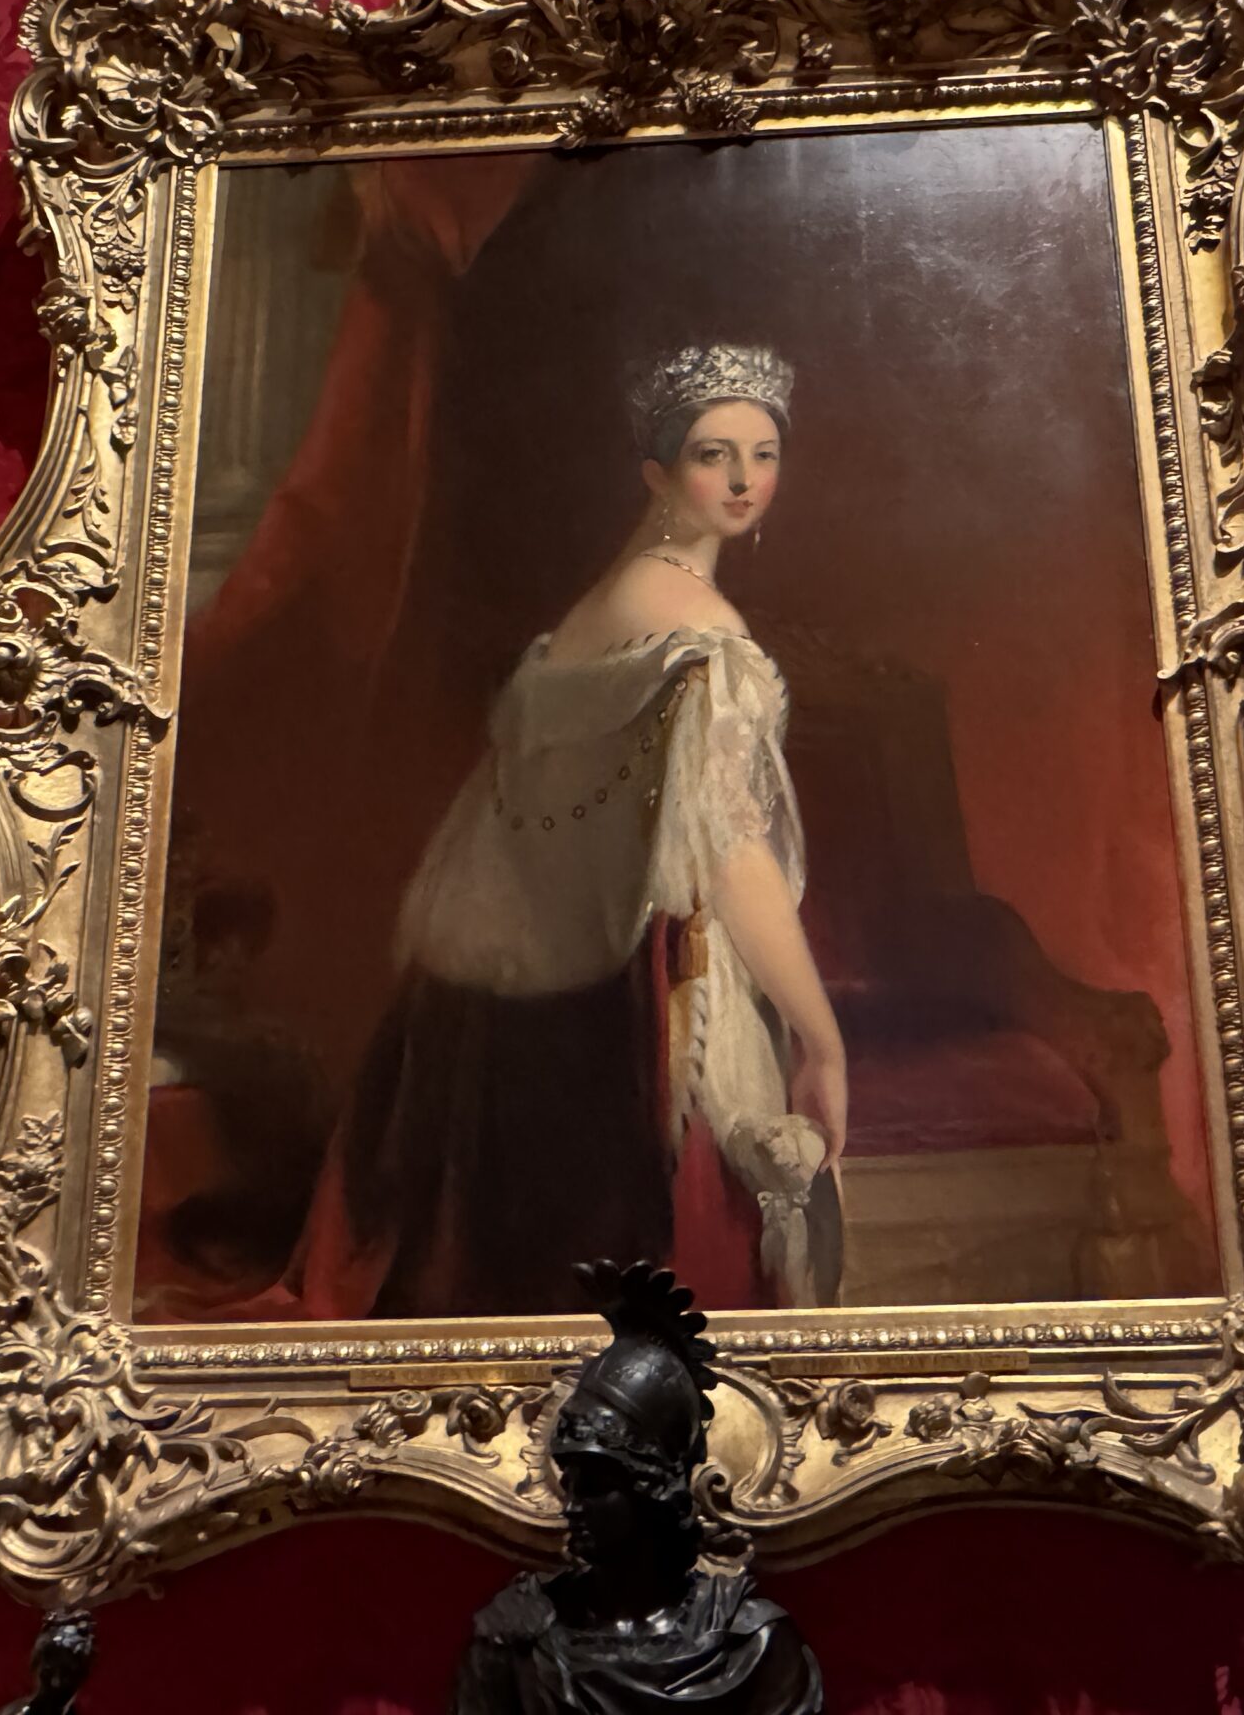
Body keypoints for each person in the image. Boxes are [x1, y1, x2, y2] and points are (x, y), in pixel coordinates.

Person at [298, 346, 848, 1318]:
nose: (742, 479)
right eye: (712, 454)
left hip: (528, 1027)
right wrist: (822, 1040)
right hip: (638, 1016)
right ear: (656, 473)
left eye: (762, 455)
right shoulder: (696, 627)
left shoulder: (608, 600)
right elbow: (730, 853)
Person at [449, 1262, 824, 1715]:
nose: (571, 1507)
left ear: (656, 1489)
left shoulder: (752, 1645)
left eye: (596, 1486)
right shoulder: (516, 1640)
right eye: (570, 1483)